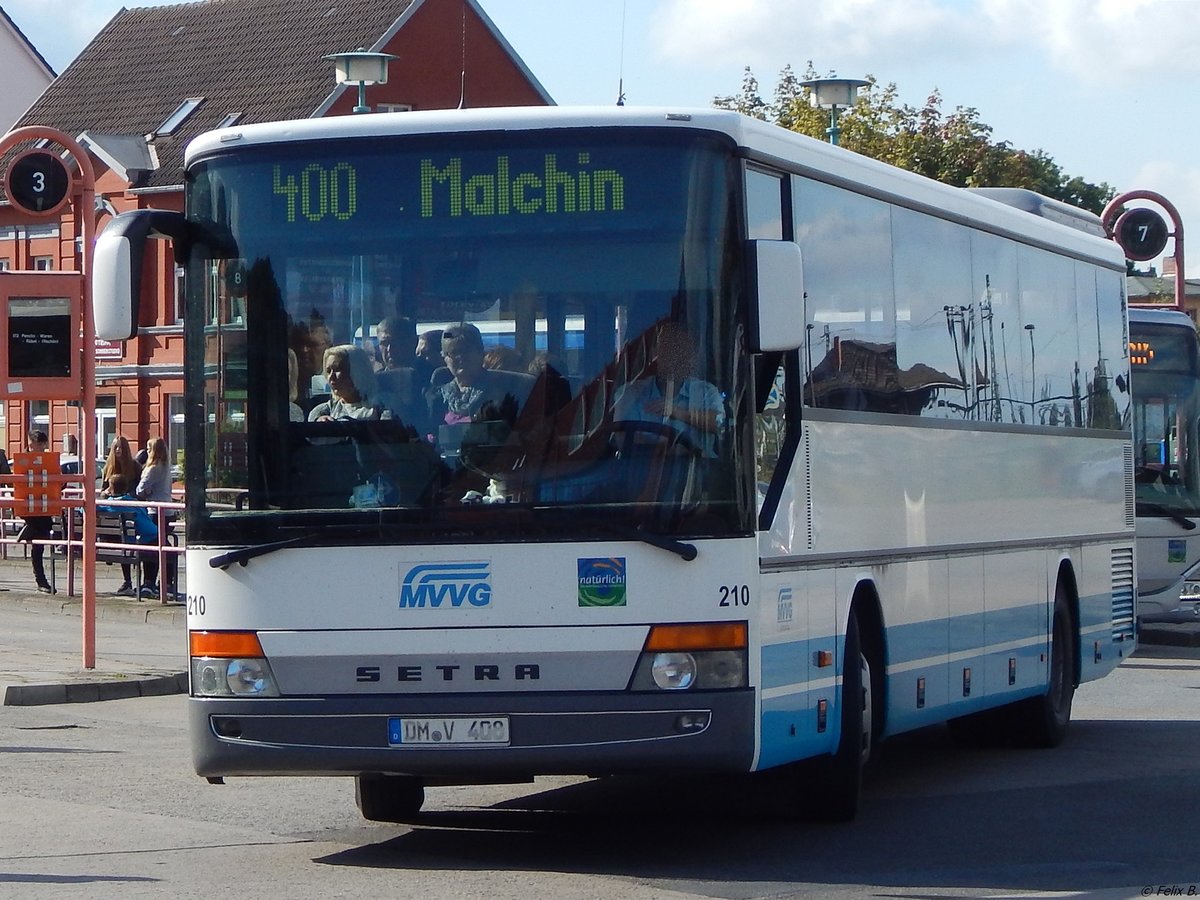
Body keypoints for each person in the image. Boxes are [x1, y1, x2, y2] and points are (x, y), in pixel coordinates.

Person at [612, 321, 724, 458]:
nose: (673, 359)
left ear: (692, 358)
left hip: (700, 473)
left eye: (681, 352)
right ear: (655, 354)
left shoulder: (706, 392)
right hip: (641, 473)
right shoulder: (630, 393)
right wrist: (665, 450)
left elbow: (720, 424)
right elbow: (622, 440)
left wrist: (678, 412)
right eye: (667, 351)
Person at [100, 473, 163, 600]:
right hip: (143, 541)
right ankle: (149, 584)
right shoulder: (134, 503)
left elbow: (83, 509)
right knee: (161, 547)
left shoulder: (107, 505)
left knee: (128, 542)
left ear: (110, 489)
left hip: (123, 545)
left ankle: (128, 582)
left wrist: (103, 495)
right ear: (126, 487)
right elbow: (148, 522)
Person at [136, 437, 178, 599]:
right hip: (168, 510)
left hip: (155, 510)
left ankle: (149, 582)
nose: (146, 451)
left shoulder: (153, 468)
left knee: (152, 546)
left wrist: (145, 491)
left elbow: (141, 489)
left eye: (148, 448)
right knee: (163, 545)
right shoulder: (166, 467)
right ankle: (167, 581)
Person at [16, 430, 57, 594]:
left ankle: (27, 531)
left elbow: (56, 479)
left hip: (44, 504)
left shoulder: (49, 460)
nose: (41, 448)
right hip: (30, 505)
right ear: (30, 443)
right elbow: (18, 481)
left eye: (42, 445)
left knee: (42, 538)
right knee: (39, 543)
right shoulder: (22, 459)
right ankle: (41, 581)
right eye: (38, 445)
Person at [101, 436, 143, 596]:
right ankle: (128, 581)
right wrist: (106, 493)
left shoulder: (135, 467)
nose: (118, 450)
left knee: (130, 540)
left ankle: (134, 581)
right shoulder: (108, 468)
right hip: (115, 520)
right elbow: (102, 492)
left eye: (120, 447)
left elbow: (139, 492)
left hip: (130, 516)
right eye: (115, 447)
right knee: (123, 539)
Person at [308, 344, 389, 422]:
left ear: (357, 371)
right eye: (328, 371)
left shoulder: (383, 406)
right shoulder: (327, 409)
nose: (331, 377)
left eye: (337, 369)